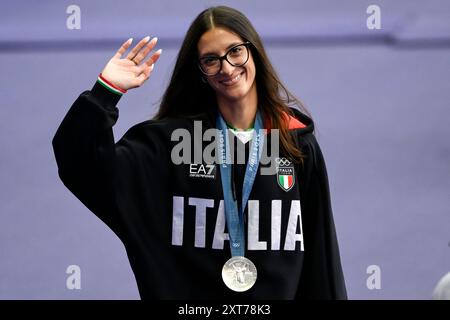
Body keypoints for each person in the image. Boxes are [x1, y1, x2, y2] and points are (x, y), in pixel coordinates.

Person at [52, 5, 347, 300]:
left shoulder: (293, 143)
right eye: (211, 60)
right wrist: (106, 91)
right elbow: (84, 169)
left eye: (235, 52)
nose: (227, 68)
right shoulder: (169, 146)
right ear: (200, 72)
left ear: (253, 51)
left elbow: (321, 257)